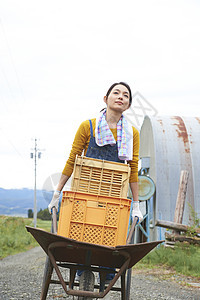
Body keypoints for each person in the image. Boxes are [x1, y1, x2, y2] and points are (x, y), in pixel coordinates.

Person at [48, 81, 143, 282]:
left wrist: (137, 203)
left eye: (126, 95)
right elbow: (73, 158)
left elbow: (133, 167)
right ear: (105, 99)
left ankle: (108, 271)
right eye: (116, 93)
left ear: (128, 104)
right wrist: (57, 192)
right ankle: (83, 268)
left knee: (111, 235)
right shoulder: (88, 126)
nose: (121, 97)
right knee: (81, 230)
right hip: (85, 191)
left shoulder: (131, 133)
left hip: (115, 194)